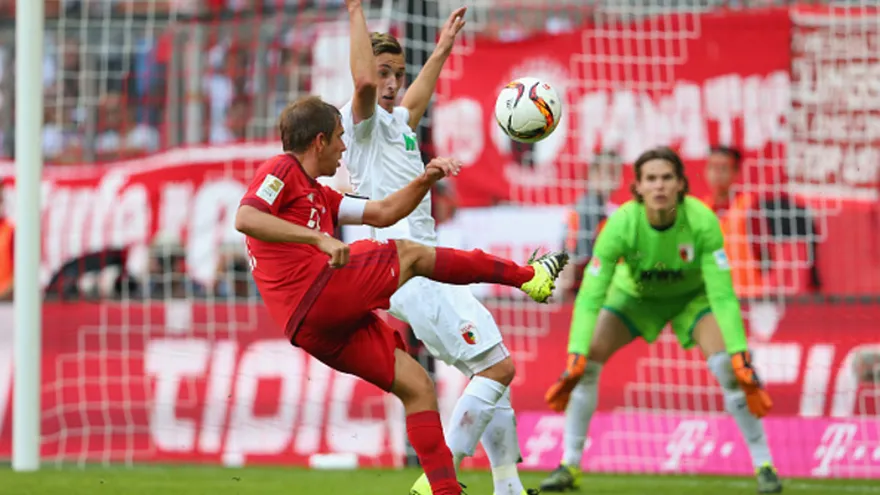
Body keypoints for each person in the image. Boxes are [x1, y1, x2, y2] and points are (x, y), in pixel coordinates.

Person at [235, 95, 568, 495]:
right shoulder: (282, 168)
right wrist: (317, 240)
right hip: (317, 293)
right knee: (410, 253)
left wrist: (425, 180)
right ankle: (527, 276)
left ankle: (444, 490)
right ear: (319, 141)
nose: (345, 147)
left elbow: (383, 213)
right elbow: (247, 217)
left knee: (417, 385)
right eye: (340, 138)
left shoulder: (321, 196)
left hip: (310, 326)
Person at [339, 2, 546, 494]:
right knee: (498, 368)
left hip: (424, 268)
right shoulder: (361, 123)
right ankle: (434, 481)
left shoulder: (398, 124)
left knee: (490, 365)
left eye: (398, 74)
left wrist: (442, 49)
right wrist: (354, 12)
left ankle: (508, 487)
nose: (391, 83)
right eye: (384, 73)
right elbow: (366, 85)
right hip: (406, 270)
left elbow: (418, 96)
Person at [540, 146, 783, 494]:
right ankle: (569, 465)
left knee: (730, 370)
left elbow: (723, 294)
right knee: (588, 362)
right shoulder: (620, 224)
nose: (659, 186)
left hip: (691, 301)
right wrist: (575, 352)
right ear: (637, 187)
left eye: (667, 178)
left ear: (681, 184)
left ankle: (765, 466)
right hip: (635, 299)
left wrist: (741, 352)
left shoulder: (702, 222)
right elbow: (591, 294)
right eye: (650, 179)